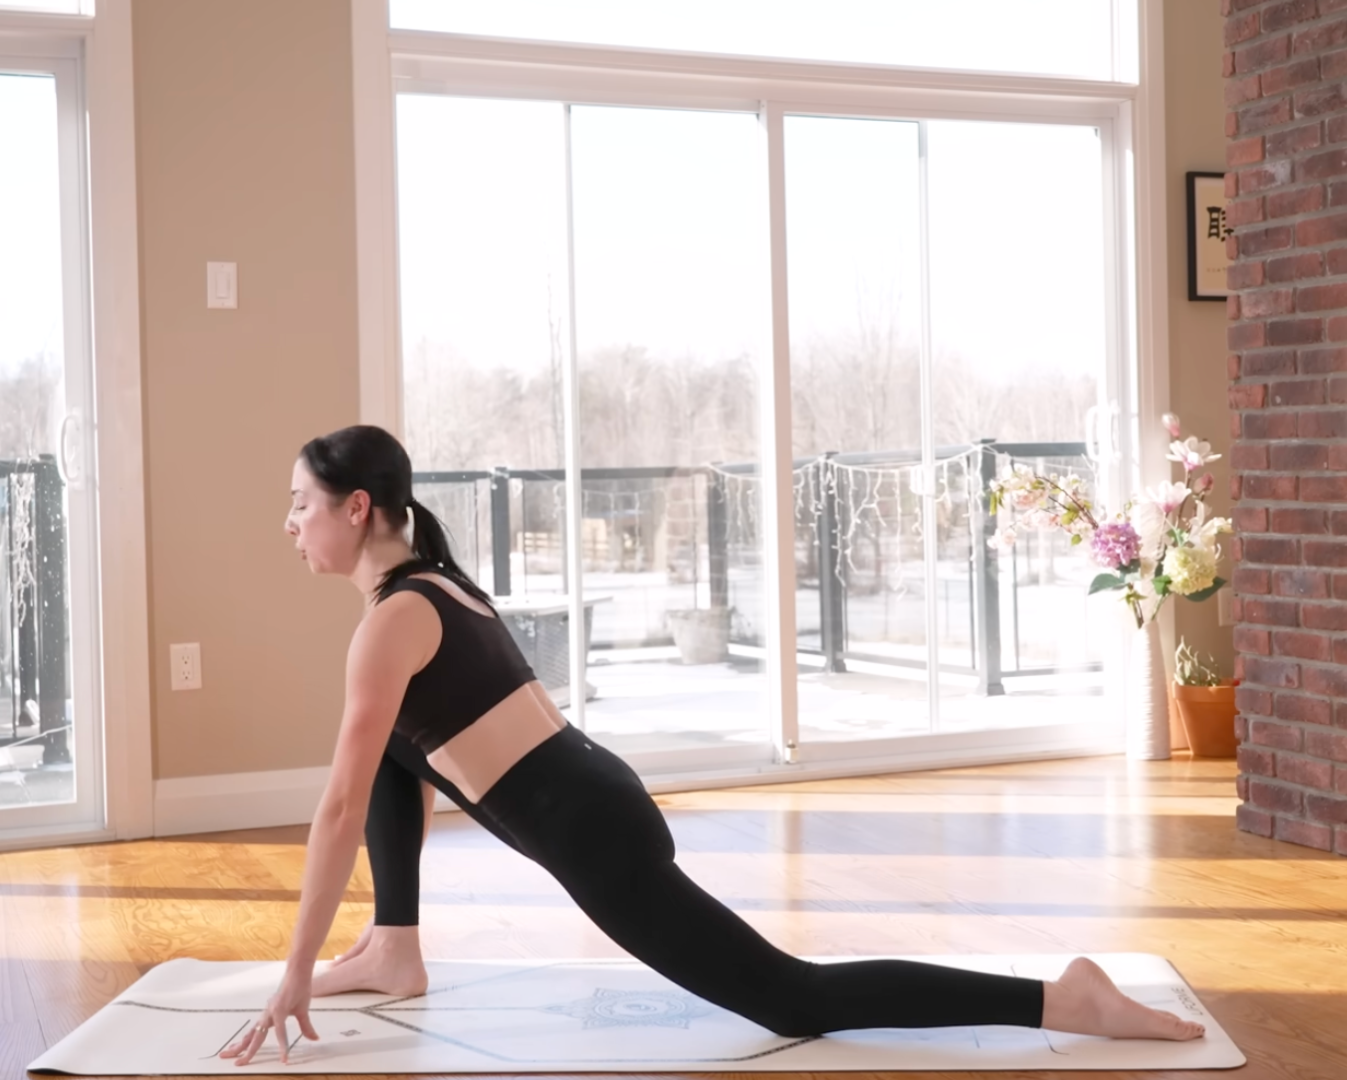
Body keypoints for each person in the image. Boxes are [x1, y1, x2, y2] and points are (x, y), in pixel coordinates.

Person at [224, 425, 1203, 1066]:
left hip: (596, 837)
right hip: (599, 792)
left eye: (301, 504)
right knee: (400, 740)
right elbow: (395, 765)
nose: (290, 525)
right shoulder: (438, 585)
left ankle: (1059, 1001)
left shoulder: (392, 621)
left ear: (358, 509)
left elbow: (338, 807)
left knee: (789, 998)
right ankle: (395, 949)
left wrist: (298, 967)